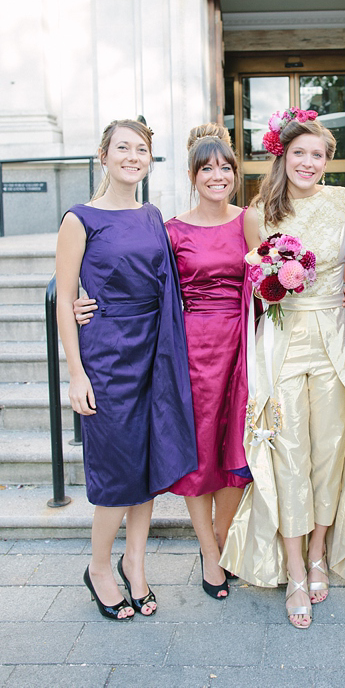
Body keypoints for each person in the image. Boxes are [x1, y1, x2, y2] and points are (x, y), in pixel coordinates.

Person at [221, 108, 345, 629]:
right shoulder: (257, 213)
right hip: (283, 342)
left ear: (329, 161)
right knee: (288, 450)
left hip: (335, 339)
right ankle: (293, 567)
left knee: (330, 452)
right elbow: (253, 283)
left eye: (318, 155)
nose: (308, 163)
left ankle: (319, 552)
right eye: (299, 154)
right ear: (282, 156)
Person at [56, 119, 197, 621]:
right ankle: (98, 567)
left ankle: (134, 563)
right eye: (123, 148)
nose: (132, 156)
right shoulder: (80, 219)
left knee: (148, 464)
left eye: (141, 149)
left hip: (153, 350)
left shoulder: (152, 214)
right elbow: (64, 299)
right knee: (117, 470)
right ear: (103, 155)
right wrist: (76, 372)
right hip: (107, 356)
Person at [165, 125, 253, 599]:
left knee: (234, 450)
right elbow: (152, 291)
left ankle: (224, 538)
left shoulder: (250, 220)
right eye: (207, 168)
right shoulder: (172, 230)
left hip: (242, 344)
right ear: (193, 175)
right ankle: (208, 550)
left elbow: (270, 274)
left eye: (225, 168)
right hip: (195, 348)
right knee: (201, 453)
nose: (217, 176)